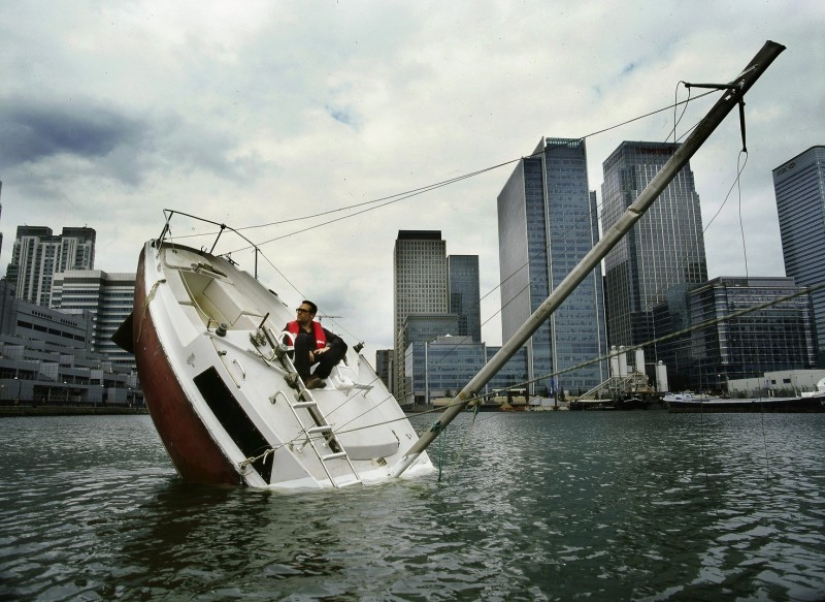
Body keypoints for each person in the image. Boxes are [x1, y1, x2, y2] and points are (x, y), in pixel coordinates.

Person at [284, 300, 347, 389]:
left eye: (303, 311)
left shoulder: (320, 330)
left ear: (311, 315)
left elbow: (338, 340)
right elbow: (285, 344)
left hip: (314, 356)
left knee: (341, 345)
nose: (299, 313)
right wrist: (306, 350)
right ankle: (305, 378)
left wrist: (327, 348)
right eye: (298, 310)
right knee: (302, 337)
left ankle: (316, 376)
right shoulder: (290, 327)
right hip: (297, 356)